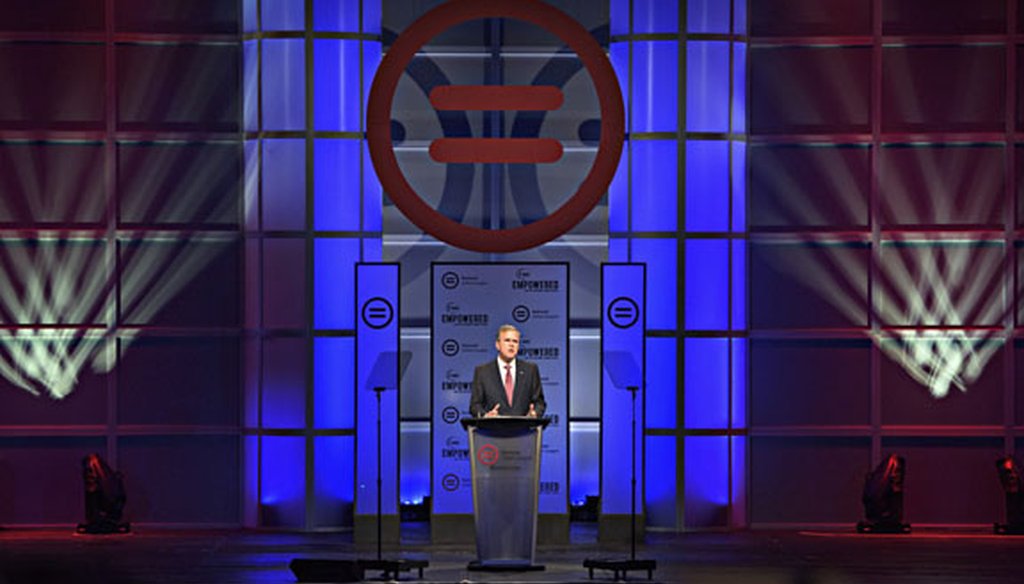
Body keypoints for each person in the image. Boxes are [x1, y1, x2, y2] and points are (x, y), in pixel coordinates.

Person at [469, 324, 546, 418]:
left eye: (515, 341)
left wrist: (534, 414)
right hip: (493, 430)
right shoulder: (482, 372)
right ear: (497, 345)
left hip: (523, 430)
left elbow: (539, 402)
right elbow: (475, 406)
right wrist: (486, 416)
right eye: (507, 340)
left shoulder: (530, 370)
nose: (511, 344)